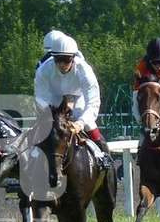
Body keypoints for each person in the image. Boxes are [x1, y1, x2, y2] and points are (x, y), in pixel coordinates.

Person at [19, 34, 117, 176]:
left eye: (66, 60)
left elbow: (93, 101)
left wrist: (80, 123)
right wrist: (53, 117)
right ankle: (28, 165)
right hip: (54, 101)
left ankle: (104, 158)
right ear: (53, 57)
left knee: (90, 126)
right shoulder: (44, 70)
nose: (62, 64)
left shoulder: (84, 70)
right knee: (40, 129)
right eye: (58, 59)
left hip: (79, 99)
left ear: (73, 57)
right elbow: (41, 98)